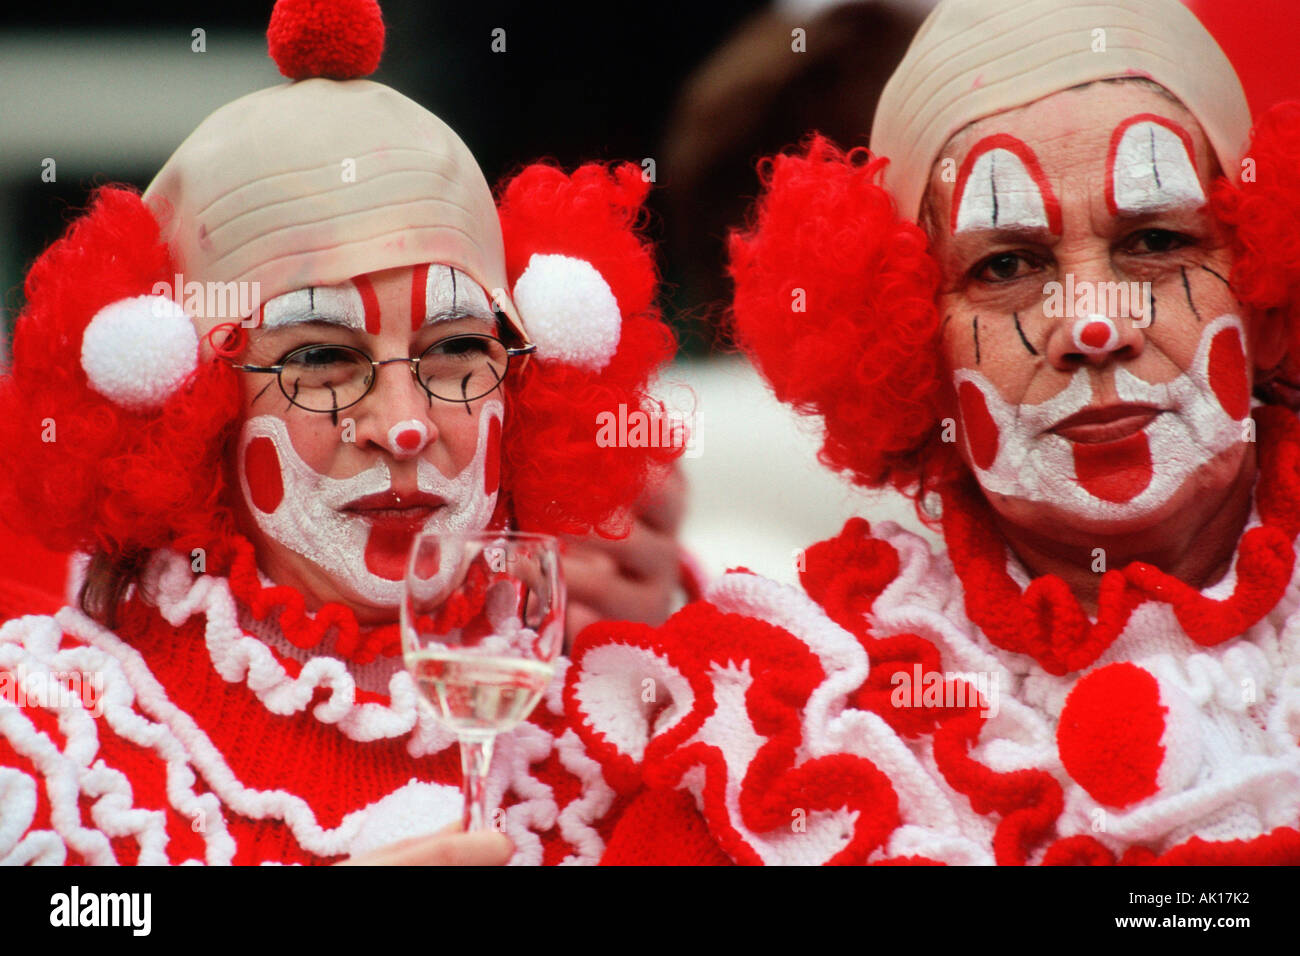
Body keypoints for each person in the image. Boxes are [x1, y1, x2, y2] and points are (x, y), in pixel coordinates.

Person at [562, 0, 1300, 864]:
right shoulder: (793, 723)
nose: (1094, 325)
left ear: (1262, 300)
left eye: (1154, 239)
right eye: (1007, 266)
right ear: (912, 345)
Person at [0, 0, 681, 865]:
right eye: (322, 357)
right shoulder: (38, 747)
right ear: (191, 403)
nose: (403, 427)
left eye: (458, 350)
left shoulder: (647, 736)